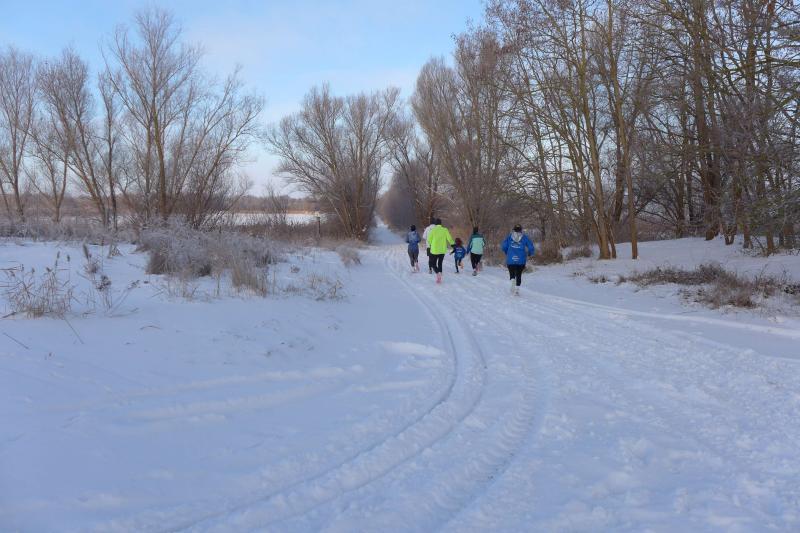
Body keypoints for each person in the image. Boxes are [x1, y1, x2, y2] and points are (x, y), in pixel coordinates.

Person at [501, 224, 535, 295]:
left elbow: (504, 246)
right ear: (521, 230)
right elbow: (531, 246)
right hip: (521, 259)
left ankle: (513, 279)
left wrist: (507, 252)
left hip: (511, 259)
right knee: (519, 274)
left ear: (514, 230)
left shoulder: (509, 237)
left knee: (512, 271)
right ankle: (517, 290)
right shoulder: (524, 237)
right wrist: (530, 253)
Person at [427, 218, 454, 284]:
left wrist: (431, 244)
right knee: (440, 263)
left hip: (434, 250)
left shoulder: (433, 230)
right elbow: (449, 238)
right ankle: (440, 274)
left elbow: (429, 239)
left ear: (435, 224)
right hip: (442, 250)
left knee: (433, 264)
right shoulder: (445, 230)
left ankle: (438, 273)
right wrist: (453, 245)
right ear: (441, 223)